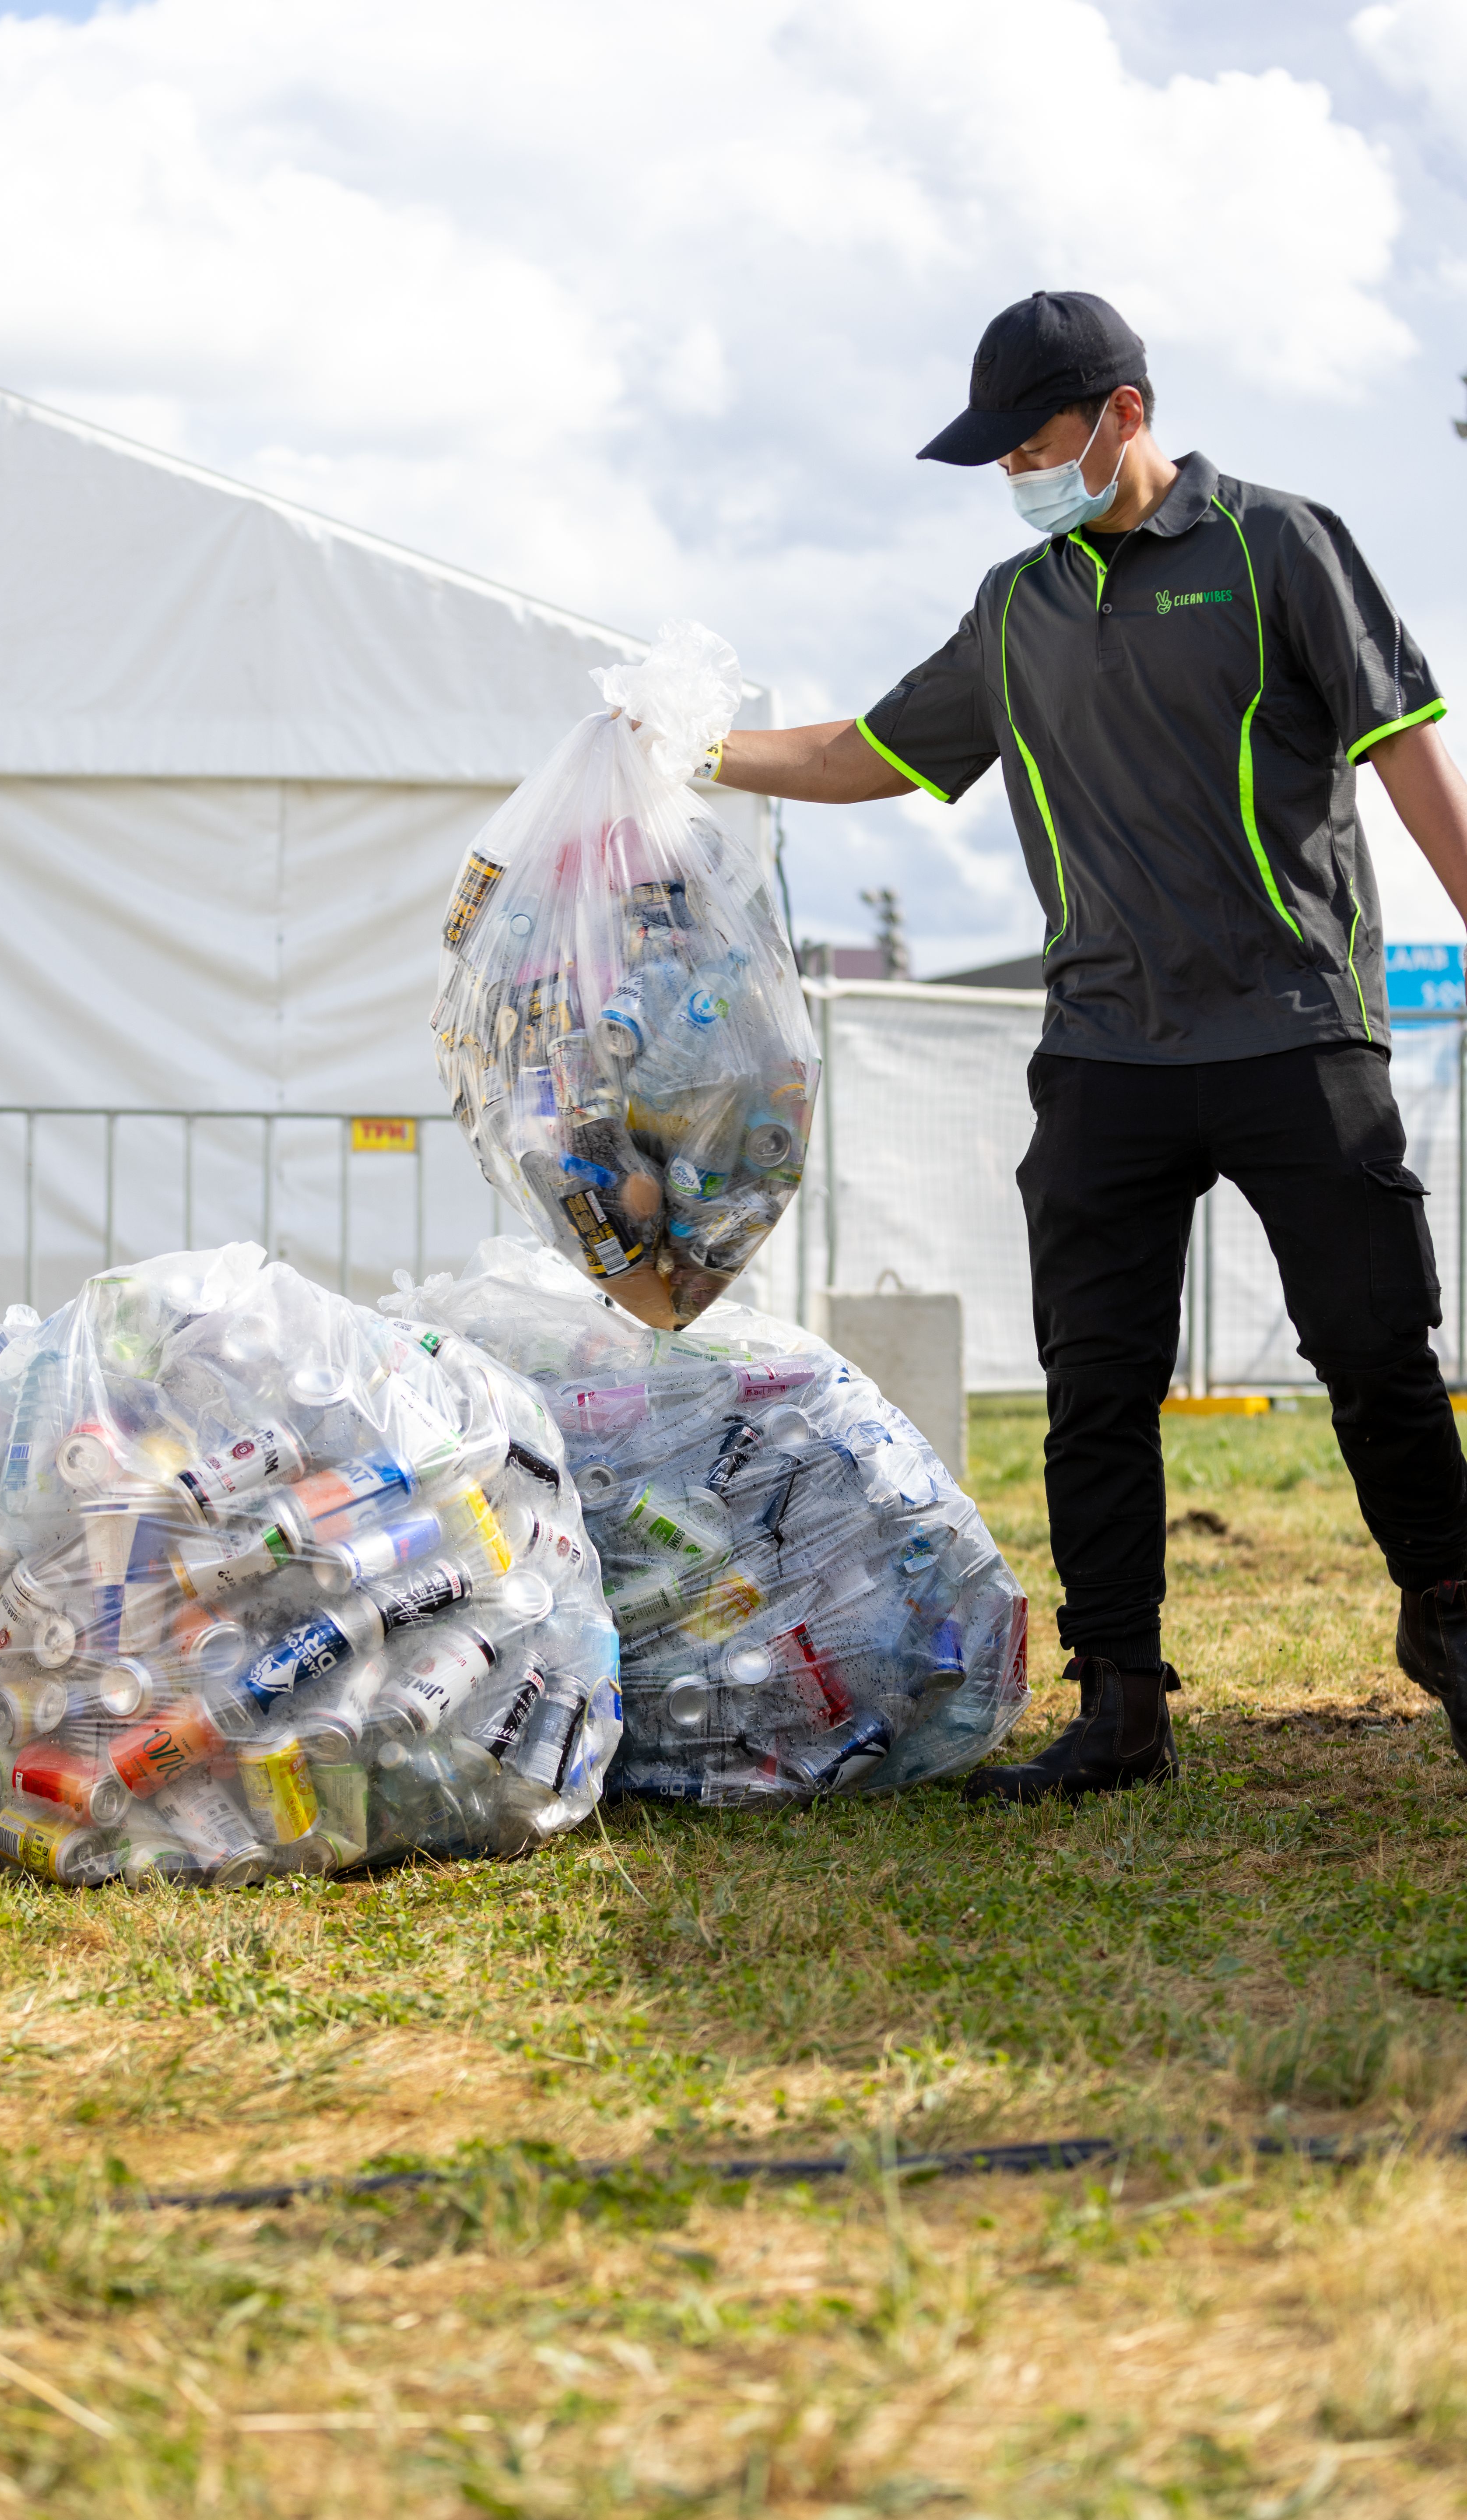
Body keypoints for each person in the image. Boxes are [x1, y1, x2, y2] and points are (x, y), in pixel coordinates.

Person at [702, 288, 1467, 1801]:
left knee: (1377, 1356)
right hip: (1104, 1056)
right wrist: (693, 751)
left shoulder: (1280, 546)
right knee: (1092, 1389)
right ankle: (1121, 1707)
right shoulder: (1016, 605)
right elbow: (871, 751)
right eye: (997, 460)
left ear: (1126, 412)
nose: (1016, 477)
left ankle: (1452, 1623)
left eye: (1034, 444)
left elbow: (1405, 755)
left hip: (1297, 1031)